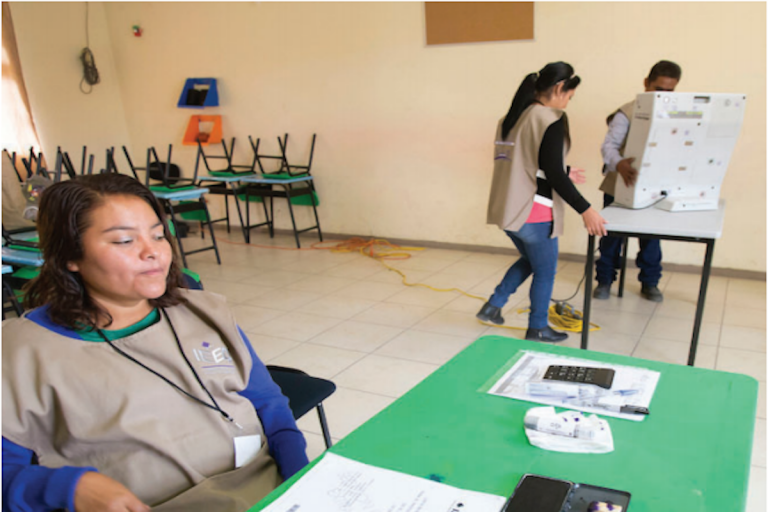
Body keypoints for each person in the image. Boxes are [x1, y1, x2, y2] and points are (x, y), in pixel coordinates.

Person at [2, 173, 309, 512]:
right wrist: (68, 487)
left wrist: (302, 483)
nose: (154, 253)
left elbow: (269, 404)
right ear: (69, 256)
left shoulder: (202, 309)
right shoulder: (21, 352)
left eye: (159, 235)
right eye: (123, 241)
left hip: (270, 489)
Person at [477, 62, 607, 343]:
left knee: (530, 260)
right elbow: (553, 173)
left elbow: (524, 163)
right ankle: (537, 328)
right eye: (570, 96)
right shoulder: (550, 118)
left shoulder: (511, 117)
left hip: (507, 210)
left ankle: (493, 306)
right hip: (534, 212)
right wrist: (586, 209)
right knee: (545, 271)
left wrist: (563, 171)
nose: (568, 103)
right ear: (560, 88)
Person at [593, 60, 682, 303]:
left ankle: (650, 282)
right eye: (658, 89)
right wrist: (620, 163)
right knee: (611, 238)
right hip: (619, 185)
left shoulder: (676, 114)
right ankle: (604, 281)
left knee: (651, 239)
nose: (663, 96)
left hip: (654, 189)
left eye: (669, 91)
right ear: (646, 83)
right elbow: (608, 146)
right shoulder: (626, 113)